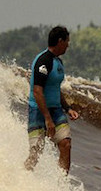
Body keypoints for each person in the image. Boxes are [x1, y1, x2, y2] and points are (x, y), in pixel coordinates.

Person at [25, 26, 80, 173]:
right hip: (38, 111)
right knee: (35, 153)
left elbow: (55, 88)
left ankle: (62, 186)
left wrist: (67, 108)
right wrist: (47, 119)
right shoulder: (43, 61)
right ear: (60, 41)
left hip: (56, 110)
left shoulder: (58, 63)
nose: (68, 45)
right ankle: (22, 179)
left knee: (66, 144)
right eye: (67, 41)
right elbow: (37, 91)